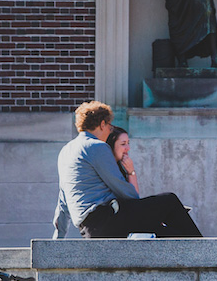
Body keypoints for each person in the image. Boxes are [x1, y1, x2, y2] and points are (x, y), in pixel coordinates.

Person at [53, 101, 202, 239]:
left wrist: (58, 238)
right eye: (110, 127)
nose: (109, 132)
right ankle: (207, 250)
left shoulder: (65, 152)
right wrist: (144, 209)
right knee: (170, 200)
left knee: (169, 234)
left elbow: (63, 200)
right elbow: (119, 186)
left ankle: (200, 255)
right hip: (106, 220)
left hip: (89, 229)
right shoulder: (96, 147)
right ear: (102, 124)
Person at [105, 126, 140, 195]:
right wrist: (131, 172)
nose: (128, 148)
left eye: (128, 143)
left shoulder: (120, 167)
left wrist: (131, 172)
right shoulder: (107, 168)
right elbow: (132, 195)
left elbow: (136, 196)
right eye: (123, 144)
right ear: (111, 145)